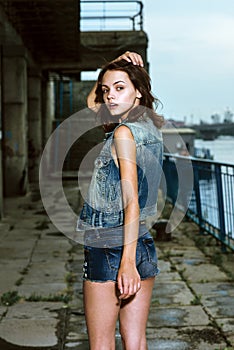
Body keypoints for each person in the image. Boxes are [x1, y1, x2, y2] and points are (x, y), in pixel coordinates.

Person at [77, 51, 164, 349]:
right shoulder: (151, 129)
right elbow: (93, 104)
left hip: (111, 245)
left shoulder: (123, 134)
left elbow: (131, 202)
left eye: (120, 88)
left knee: (101, 344)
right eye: (106, 90)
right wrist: (113, 65)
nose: (110, 97)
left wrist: (126, 263)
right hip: (141, 241)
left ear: (138, 92)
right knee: (136, 341)